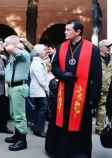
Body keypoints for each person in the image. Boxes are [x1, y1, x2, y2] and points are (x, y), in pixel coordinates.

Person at [51, 20, 102, 158]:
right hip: (64, 93)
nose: (65, 32)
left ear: (78, 32)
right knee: (63, 126)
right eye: (65, 29)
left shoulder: (92, 49)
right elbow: (54, 67)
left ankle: (80, 154)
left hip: (83, 96)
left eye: (68, 30)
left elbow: (97, 77)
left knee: (81, 127)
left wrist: (94, 100)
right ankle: (62, 152)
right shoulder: (61, 47)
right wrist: (63, 75)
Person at [4, 35, 31, 151]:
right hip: (13, 87)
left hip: (19, 87)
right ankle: (17, 135)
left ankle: (22, 140)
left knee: (19, 115)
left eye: (5, 43)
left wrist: (15, 44)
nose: (4, 46)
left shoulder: (24, 54)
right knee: (14, 114)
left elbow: (10, 49)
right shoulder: (13, 55)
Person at [29, 44, 50, 137]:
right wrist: (47, 89)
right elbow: (41, 79)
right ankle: (39, 130)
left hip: (39, 90)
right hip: (39, 90)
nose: (46, 51)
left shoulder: (39, 62)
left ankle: (36, 128)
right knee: (42, 109)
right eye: (44, 50)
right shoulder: (37, 63)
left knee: (39, 109)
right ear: (39, 52)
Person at [95, 39, 112, 134]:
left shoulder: (111, 58)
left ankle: (101, 128)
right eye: (107, 47)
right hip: (97, 87)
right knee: (97, 107)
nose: (109, 48)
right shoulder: (95, 58)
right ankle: (99, 128)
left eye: (110, 47)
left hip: (108, 88)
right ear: (101, 48)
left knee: (103, 107)